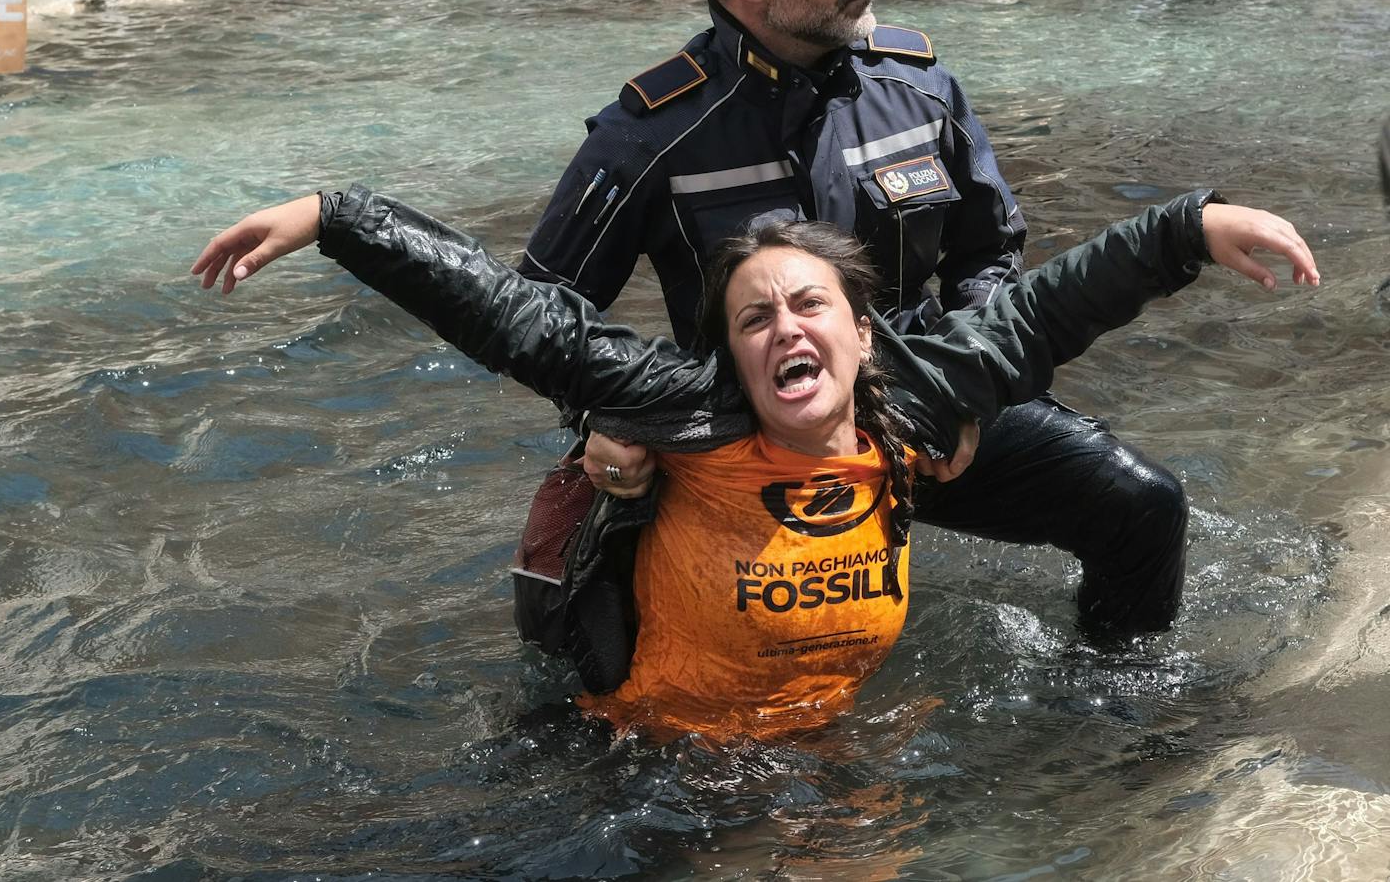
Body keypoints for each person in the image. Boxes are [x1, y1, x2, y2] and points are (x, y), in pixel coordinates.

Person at [195, 183, 1316, 740]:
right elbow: (516, 315)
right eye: (752, 316)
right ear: (729, 353)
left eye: (808, 305)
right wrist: (334, 217)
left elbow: (1046, 303)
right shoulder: (687, 412)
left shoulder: (913, 396)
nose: (784, 328)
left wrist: (1190, 228)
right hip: (644, 770)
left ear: (861, 330)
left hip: (827, 745)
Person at [515, 0, 1217, 643]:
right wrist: (603, 421)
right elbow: (540, 312)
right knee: (599, 642)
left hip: (920, 404)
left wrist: (968, 390)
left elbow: (987, 253)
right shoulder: (652, 133)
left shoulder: (919, 90)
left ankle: (1112, 728)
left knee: (1144, 507)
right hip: (737, 440)